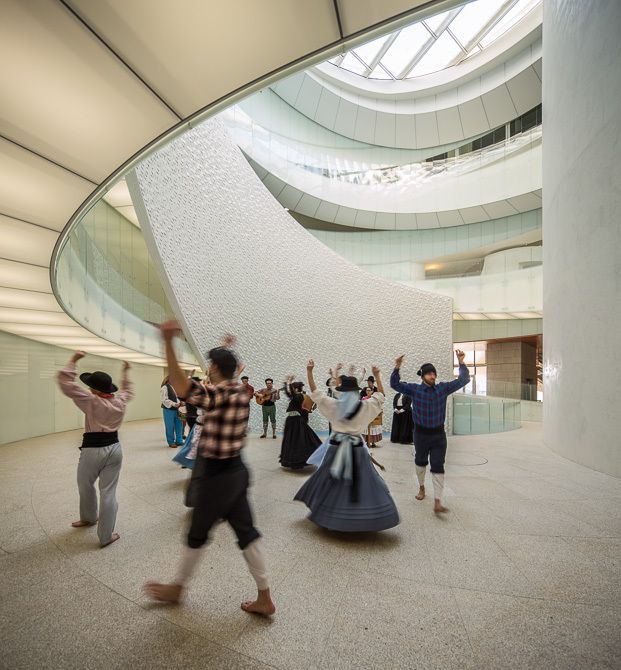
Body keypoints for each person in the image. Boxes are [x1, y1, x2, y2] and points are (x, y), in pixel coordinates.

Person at [145, 322, 275, 616]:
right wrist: (226, 349)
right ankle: (264, 596)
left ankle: (177, 588)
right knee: (247, 533)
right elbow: (230, 372)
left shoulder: (217, 395)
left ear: (214, 368)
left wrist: (168, 342)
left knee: (197, 533)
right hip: (237, 471)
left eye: (210, 365)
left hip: (216, 476)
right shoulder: (240, 391)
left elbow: (181, 386)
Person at [294, 360, 399, 532]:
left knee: (332, 482)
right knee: (362, 483)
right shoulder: (364, 406)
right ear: (356, 392)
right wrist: (377, 375)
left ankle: (330, 514)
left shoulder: (335, 405)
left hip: (336, 449)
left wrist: (309, 371)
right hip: (357, 450)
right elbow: (381, 396)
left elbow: (315, 393)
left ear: (342, 392)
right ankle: (362, 516)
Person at [57, 351, 133, 547]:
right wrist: (126, 371)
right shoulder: (120, 401)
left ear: (95, 390)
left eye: (91, 386)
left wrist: (73, 360)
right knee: (108, 492)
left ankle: (89, 518)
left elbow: (65, 383)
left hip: (92, 450)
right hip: (115, 448)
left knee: (85, 484)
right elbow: (128, 390)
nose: (89, 388)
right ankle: (105, 535)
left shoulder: (91, 400)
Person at [390, 350, 469, 513]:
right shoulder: (414, 390)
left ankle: (438, 501)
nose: (433, 376)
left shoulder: (442, 388)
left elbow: (463, 380)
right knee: (420, 462)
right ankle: (421, 487)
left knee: (438, 465)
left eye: (434, 373)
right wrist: (397, 367)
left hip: (439, 435)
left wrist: (461, 362)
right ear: (423, 376)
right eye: (429, 373)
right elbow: (395, 385)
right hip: (420, 435)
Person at [279, 378, 321, 469]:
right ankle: (294, 460)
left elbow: (291, 393)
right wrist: (286, 384)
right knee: (292, 440)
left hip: (295, 420)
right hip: (292, 420)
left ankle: (298, 460)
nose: (293, 390)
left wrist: (289, 383)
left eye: (293, 388)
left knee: (296, 440)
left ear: (296, 388)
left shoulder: (299, 396)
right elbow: (288, 393)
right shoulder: (296, 396)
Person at [161, 375, 183, 448]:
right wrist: (174, 404)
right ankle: (171, 442)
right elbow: (164, 400)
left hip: (178, 409)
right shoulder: (165, 387)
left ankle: (179, 441)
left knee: (179, 425)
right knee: (170, 426)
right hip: (168, 410)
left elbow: (178, 398)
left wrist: (181, 402)